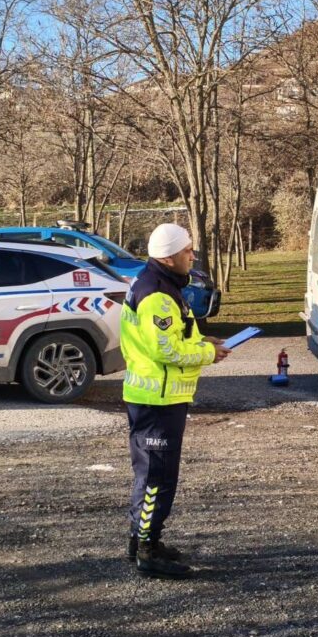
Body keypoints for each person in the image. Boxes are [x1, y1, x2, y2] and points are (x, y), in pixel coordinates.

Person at [120, 223, 230, 579]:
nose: (192, 256)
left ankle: (143, 538)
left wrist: (204, 341)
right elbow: (165, 348)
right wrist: (207, 354)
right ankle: (147, 550)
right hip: (157, 399)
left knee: (153, 473)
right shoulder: (157, 294)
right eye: (187, 251)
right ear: (168, 256)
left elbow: (177, 333)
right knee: (157, 477)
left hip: (158, 397)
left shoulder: (160, 284)